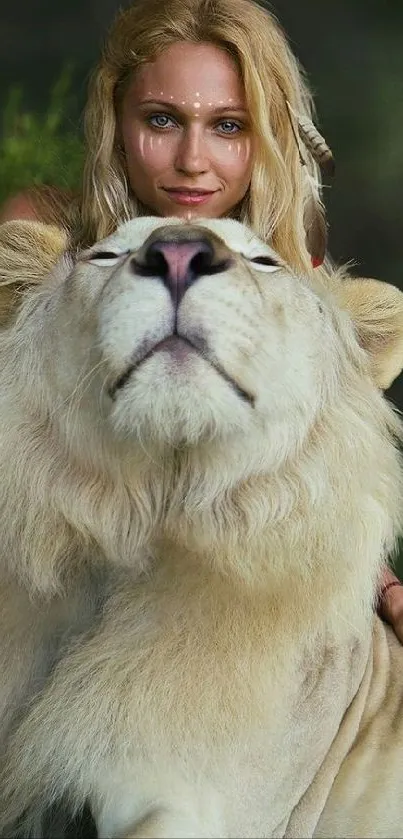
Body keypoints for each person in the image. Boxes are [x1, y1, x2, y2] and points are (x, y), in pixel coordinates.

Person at [1, 0, 403, 639]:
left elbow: (326, 458)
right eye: (162, 120)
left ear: (268, 134)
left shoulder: (292, 270)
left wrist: (380, 581)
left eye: (228, 127)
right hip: (63, 578)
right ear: (116, 122)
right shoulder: (45, 239)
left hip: (216, 603)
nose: (193, 160)